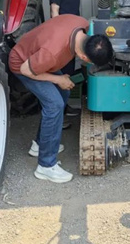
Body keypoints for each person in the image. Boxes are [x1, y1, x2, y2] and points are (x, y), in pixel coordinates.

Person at [8, 14, 113, 184]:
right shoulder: (53, 53)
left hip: (39, 57)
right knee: (54, 104)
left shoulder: (82, 24)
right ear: (84, 58)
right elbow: (26, 70)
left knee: (63, 94)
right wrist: (58, 79)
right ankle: (46, 166)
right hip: (23, 63)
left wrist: (60, 80)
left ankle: (40, 144)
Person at [50, 0, 86, 120]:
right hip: (62, 36)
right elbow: (54, 11)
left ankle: (64, 106)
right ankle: (58, 112)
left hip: (73, 35)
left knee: (69, 71)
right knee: (61, 73)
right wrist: (58, 36)